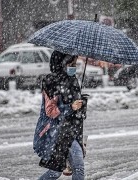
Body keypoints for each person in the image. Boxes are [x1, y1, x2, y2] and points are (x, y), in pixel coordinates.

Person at [33, 50, 87, 180]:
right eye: (71, 63)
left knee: (60, 171)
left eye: (75, 63)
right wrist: (71, 107)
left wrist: (82, 104)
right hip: (56, 131)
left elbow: (76, 110)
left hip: (71, 130)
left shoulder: (72, 80)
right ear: (62, 63)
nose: (73, 67)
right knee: (69, 170)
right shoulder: (51, 81)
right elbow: (50, 111)